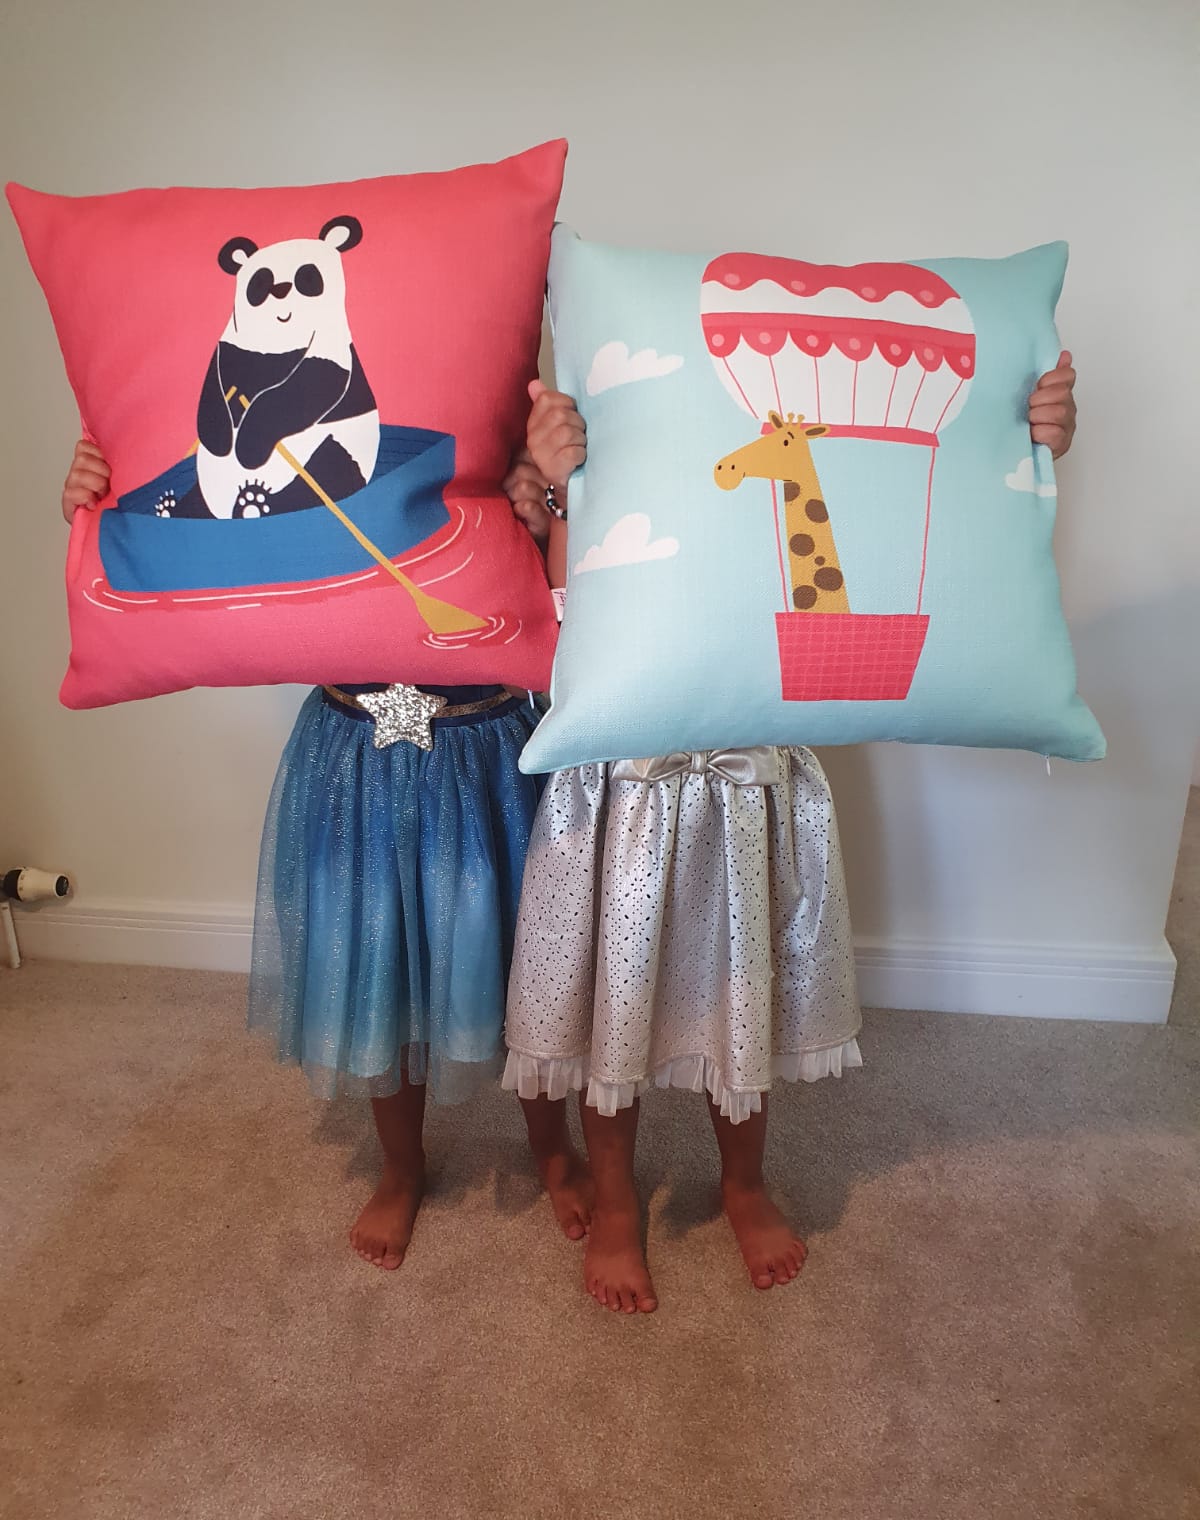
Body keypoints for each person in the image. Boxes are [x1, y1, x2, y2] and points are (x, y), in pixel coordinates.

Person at [501, 353, 1079, 1314]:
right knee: (612, 990)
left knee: (748, 982)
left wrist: (1017, 442)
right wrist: (564, 492)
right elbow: (572, 625)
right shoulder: (605, 455)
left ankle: (744, 1182)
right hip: (622, 787)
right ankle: (613, 1197)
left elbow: (919, 519)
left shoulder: (795, 496)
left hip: (751, 779)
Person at [61, 441, 592, 1270]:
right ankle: (401, 1163)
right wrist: (105, 517)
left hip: (486, 742)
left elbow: (565, 611)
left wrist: (550, 508)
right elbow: (213, 546)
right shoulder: (302, 438)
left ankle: (553, 1146)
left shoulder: (503, 434)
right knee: (375, 957)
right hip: (352, 749)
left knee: (517, 958)